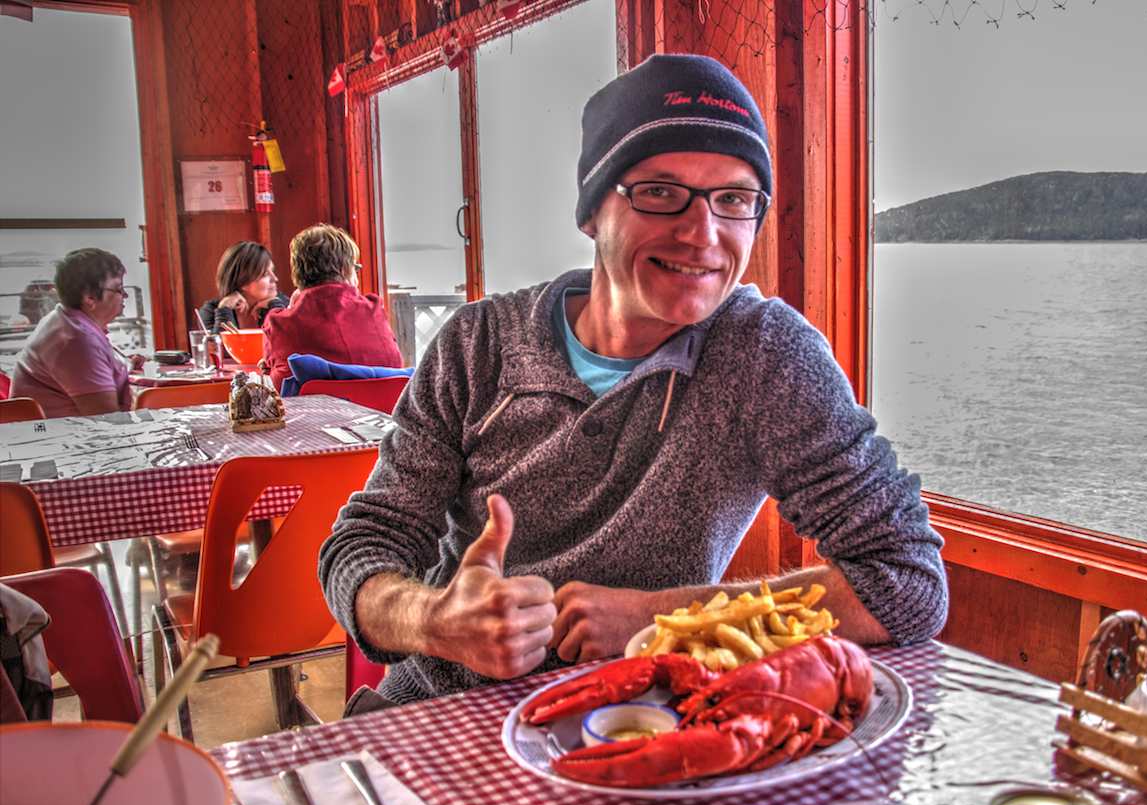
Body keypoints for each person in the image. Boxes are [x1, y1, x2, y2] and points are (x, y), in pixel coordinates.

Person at [319, 54, 947, 704]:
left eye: (733, 199)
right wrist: (436, 621)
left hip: (648, 722)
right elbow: (362, 546)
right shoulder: (478, 345)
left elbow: (905, 581)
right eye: (660, 192)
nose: (702, 233)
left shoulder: (766, 354)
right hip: (439, 712)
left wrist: (662, 618)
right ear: (592, 212)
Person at [260, 224, 402, 390]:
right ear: (345, 269)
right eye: (356, 269)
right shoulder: (374, 311)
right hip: (380, 405)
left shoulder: (280, 324)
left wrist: (291, 308)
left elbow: (270, 375)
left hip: (311, 407)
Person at [10, 248, 142, 417]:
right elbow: (108, 420)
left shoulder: (66, 320)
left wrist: (127, 365)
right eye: (118, 289)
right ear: (90, 298)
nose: (125, 295)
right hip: (63, 433)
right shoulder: (76, 341)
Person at [197, 241, 287, 331]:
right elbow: (218, 341)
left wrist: (275, 307)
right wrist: (224, 310)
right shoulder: (211, 311)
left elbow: (284, 338)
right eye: (265, 274)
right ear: (241, 280)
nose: (275, 279)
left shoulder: (283, 303)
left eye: (272, 271)